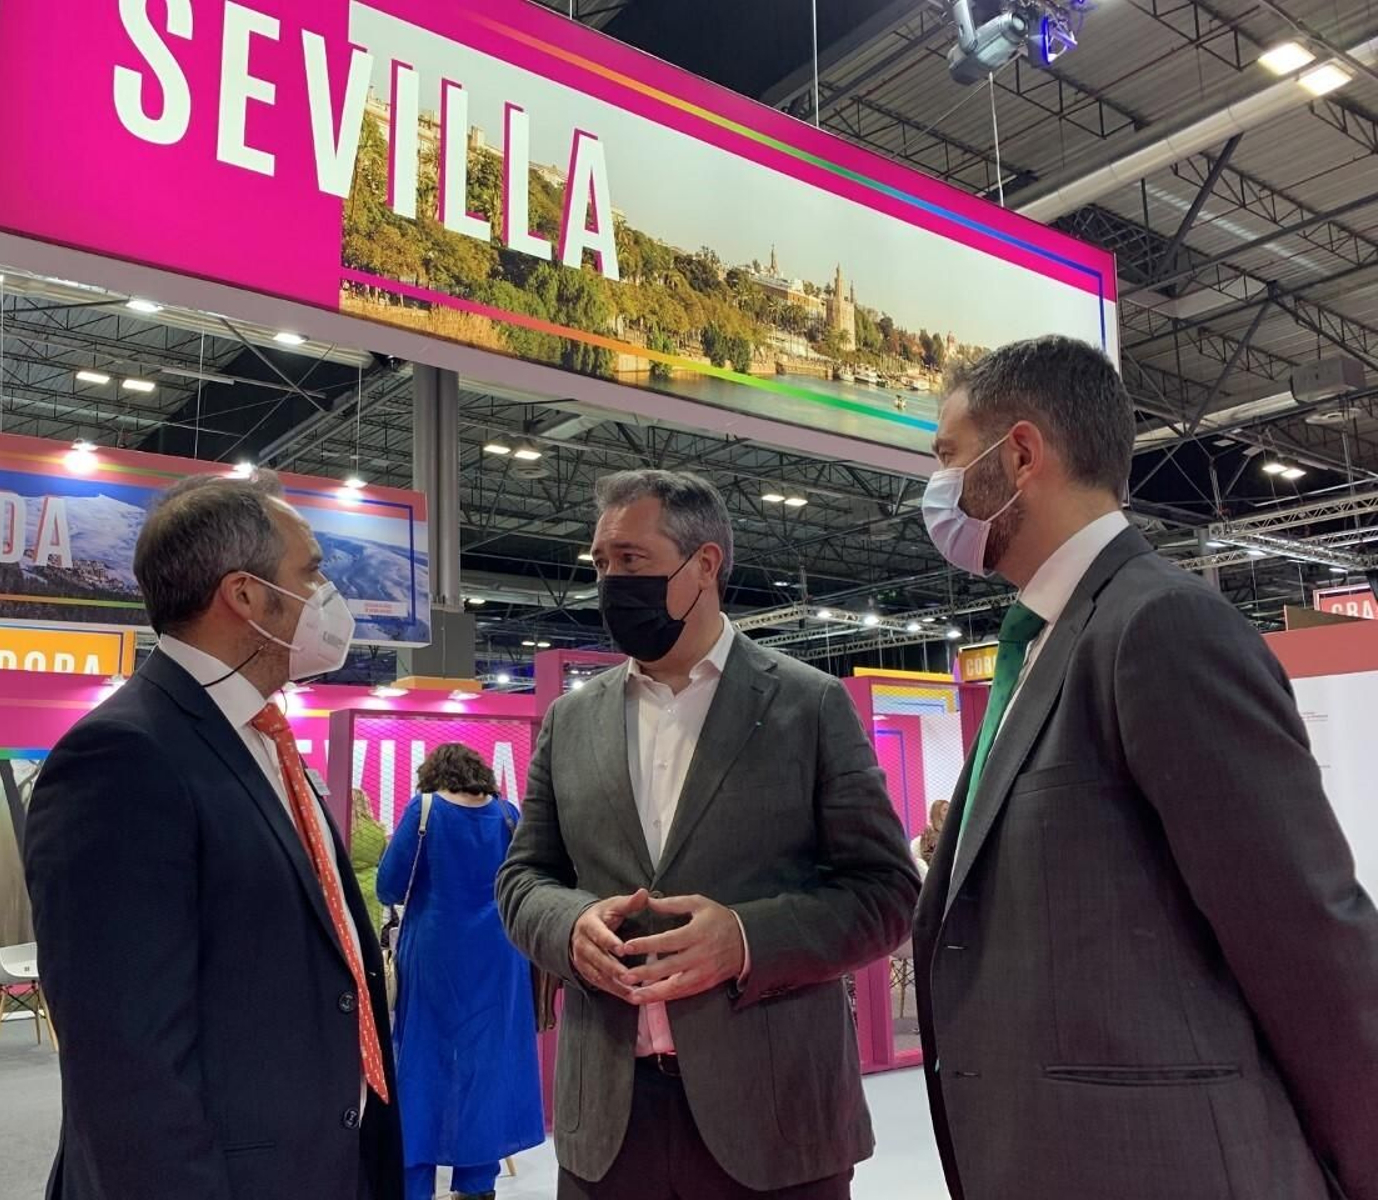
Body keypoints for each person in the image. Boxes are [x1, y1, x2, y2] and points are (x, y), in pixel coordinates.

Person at [913, 335, 1378, 1200]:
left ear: (1019, 454)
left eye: (947, 456)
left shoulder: (1160, 625)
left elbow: (1304, 932)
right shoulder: (1045, 639)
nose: (935, 489)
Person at [497, 469, 920, 1200]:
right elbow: (522, 878)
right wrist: (568, 928)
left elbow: (887, 892)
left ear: (705, 565)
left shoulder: (807, 705)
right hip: (608, 1126)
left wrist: (746, 940)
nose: (609, 582)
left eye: (631, 560)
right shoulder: (572, 721)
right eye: (600, 564)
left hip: (777, 1121)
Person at [24, 470, 402, 1200]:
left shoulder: (266, 738)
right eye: (313, 572)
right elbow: (125, 1062)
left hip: (326, 1163)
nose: (328, 594)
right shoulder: (123, 757)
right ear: (246, 597)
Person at [377, 743, 544, 1200]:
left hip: (434, 956)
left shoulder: (424, 810)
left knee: (420, 1061)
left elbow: (388, 885)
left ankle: (415, 1183)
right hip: (499, 959)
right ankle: (476, 1185)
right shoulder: (508, 815)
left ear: (433, 774)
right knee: (486, 1065)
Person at [349, 787, 389, 934]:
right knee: (371, 933)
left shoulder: (343, 827)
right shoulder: (378, 830)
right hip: (372, 884)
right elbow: (384, 858)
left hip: (347, 882)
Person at [912, 799, 950, 880]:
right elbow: (926, 853)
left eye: (950, 809)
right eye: (945, 810)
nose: (948, 812)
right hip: (938, 867)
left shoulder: (953, 830)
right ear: (937, 813)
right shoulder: (929, 832)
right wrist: (941, 860)